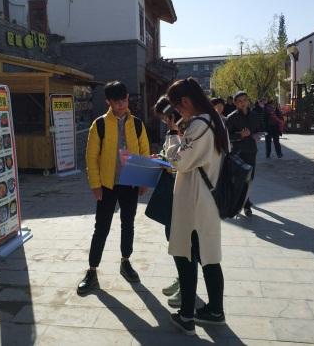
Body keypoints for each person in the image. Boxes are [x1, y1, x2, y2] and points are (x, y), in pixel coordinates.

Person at [165, 77, 228, 336]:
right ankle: (215, 311)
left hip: (194, 199)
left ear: (186, 101)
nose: (177, 112)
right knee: (209, 257)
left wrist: (172, 135)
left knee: (186, 255)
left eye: (177, 107)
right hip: (208, 197)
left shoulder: (199, 125)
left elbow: (179, 162)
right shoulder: (216, 120)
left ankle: (187, 316)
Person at [77, 81, 150, 294]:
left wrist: (143, 180)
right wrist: (95, 185)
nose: (122, 105)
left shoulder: (137, 124)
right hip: (107, 185)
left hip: (130, 183)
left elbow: (144, 152)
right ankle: (92, 271)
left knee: (128, 224)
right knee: (101, 228)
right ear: (108, 102)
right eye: (117, 102)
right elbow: (91, 157)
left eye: (124, 100)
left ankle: (126, 262)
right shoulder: (99, 124)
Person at [152, 96, 181, 307]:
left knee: (184, 244)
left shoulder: (188, 131)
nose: (165, 121)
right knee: (173, 238)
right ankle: (182, 277)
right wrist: (160, 158)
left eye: (165, 117)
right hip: (171, 193)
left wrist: (171, 167)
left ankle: (187, 285)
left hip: (184, 195)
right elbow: (170, 156)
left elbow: (181, 163)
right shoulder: (174, 131)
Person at [226, 91, 261, 217]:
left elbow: (257, 130)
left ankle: (244, 203)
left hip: (251, 151)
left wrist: (257, 136)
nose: (243, 103)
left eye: (245, 100)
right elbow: (227, 136)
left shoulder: (254, 115)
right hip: (238, 153)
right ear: (235, 103)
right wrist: (240, 135)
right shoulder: (231, 117)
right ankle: (245, 205)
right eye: (239, 101)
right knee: (240, 180)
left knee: (250, 179)